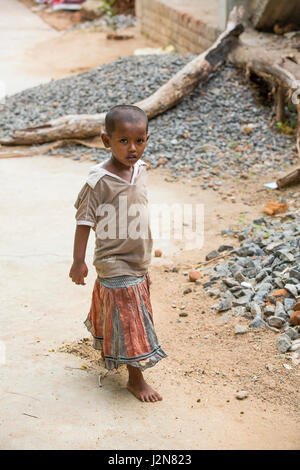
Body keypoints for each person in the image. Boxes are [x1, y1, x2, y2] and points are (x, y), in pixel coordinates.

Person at [69, 105, 167, 402]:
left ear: (147, 139)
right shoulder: (98, 182)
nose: (133, 148)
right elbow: (84, 221)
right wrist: (78, 261)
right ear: (105, 140)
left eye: (139, 140)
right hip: (114, 261)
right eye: (123, 141)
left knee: (123, 313)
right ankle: (136, 379)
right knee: (131, 318)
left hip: (138, 259)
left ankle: (111, 350)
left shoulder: (140, 170)